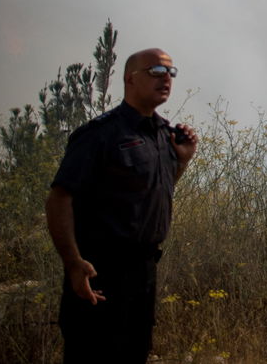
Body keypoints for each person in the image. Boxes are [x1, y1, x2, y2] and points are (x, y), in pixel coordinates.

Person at [44, 48, 199, 364]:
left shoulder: (164, 134)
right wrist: (73, 262)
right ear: (130, 78)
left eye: (170, 72)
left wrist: (181, 162)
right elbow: (59, 198)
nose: (165, 78)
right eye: (155, 71)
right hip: (100, 269)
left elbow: (155, 192)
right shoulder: (101, 134)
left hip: (143, 272)